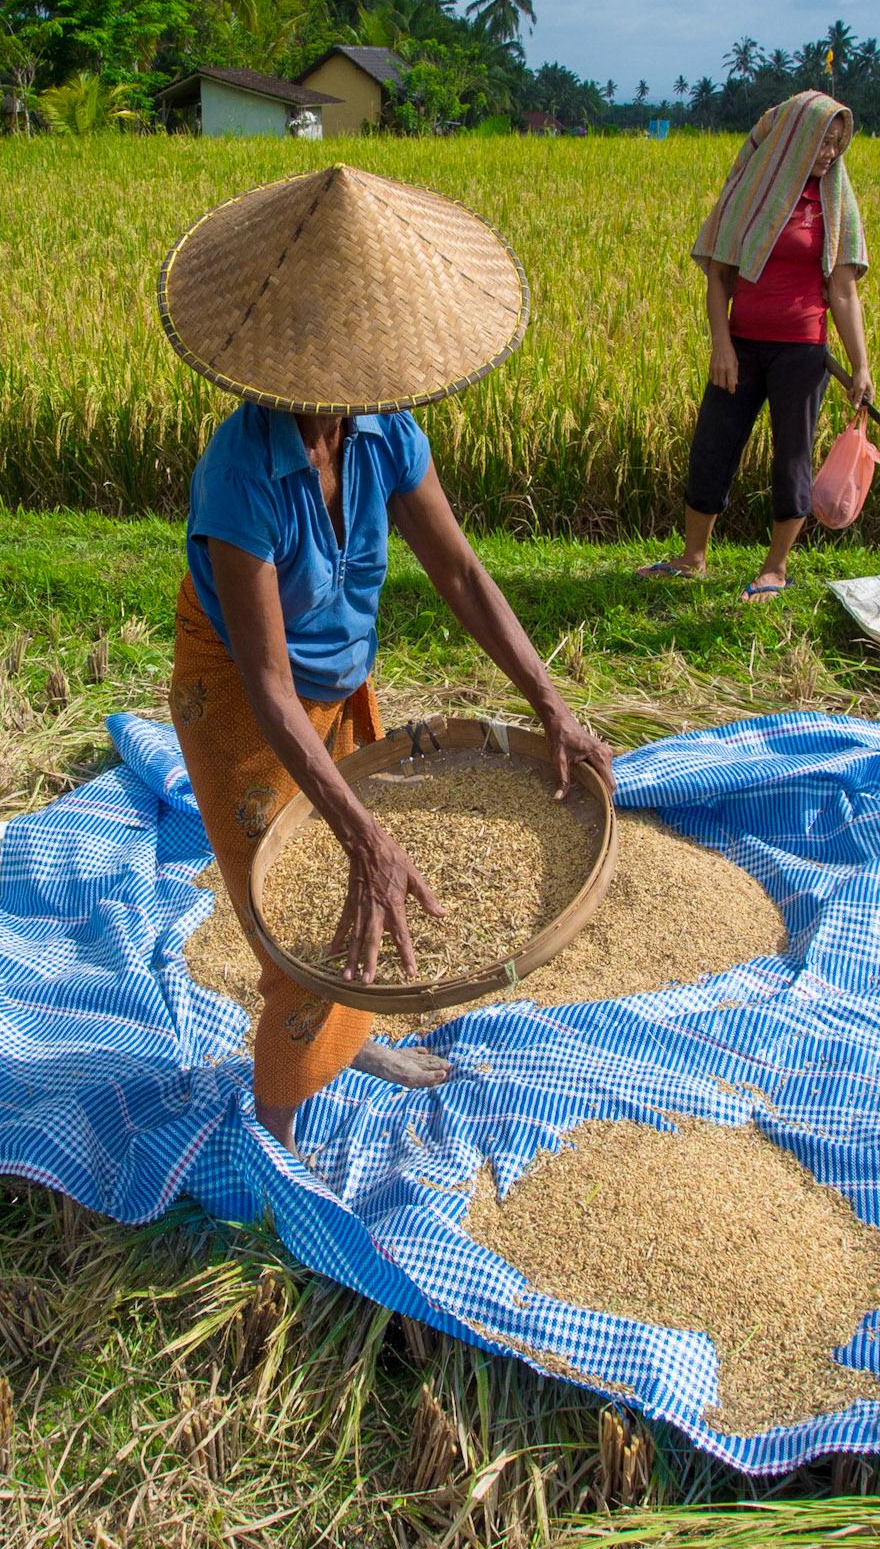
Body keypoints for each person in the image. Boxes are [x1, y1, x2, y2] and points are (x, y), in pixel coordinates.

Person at [157, 163, 615, 1155]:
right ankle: (275, 1129)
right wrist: (361, 825)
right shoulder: (240, 476)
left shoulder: (385, 434)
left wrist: (547, 699)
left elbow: (459, 572)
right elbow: (268, 681)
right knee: (299, 918)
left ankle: (349, 1044)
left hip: (336, 671)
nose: (355, 387)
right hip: (244, 695)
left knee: (353, 886)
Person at [638, 89, 872, 601]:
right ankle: (692, 558)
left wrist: (860, 366)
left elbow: (843, 289)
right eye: (823, 142)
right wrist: (721, 345)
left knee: (792, 459)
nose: (831, 153)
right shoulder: (752, 192)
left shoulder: (832, 201)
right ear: (795, 138)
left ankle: (775, 568)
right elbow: (719, 276)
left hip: (803, 351)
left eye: (838, 144)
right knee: (712, 448)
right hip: (740, 345)